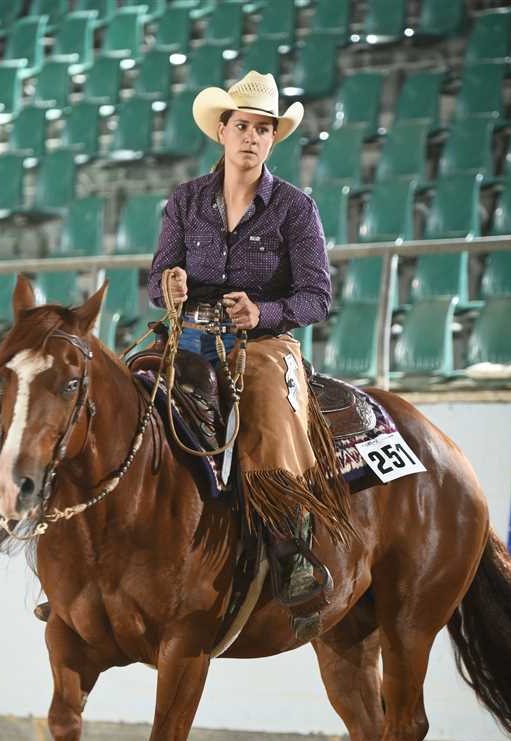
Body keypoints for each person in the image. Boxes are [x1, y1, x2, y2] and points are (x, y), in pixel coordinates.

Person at [148, 71, 350, 639]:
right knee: (123, 395)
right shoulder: (186, 200)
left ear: (272, 139)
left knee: (263, 404)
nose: (252, 137)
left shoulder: (295, 208)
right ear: (222, 130)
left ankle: (291, 549)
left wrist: (261, 314)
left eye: (264, 129)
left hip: (262, 344)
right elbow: (157, 279)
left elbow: (317, 297)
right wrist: (170, 286)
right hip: (187, 335)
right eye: (243, 126)